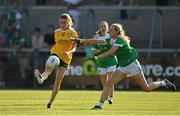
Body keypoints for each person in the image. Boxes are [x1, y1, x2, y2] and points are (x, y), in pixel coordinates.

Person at [71, 23, 177, 109]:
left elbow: (111, 52)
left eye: (111, 29)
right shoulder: (111, 39)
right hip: (123, 66)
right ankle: (100, 105)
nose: (109, 31)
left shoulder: (120, 39)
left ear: (117, 31)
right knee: (108, 83)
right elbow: (96, 41)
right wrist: (81, 41)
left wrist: (97, 57)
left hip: (132, 65)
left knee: (147, 88)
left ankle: (163, 82)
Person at [34, 13, 78, 108]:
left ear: (69, 22)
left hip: (66, 57)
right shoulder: (56, 31)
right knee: (48, 69)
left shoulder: (73, 33)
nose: (62, 24)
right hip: (56, 53)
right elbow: (58, 44)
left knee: (58, 81)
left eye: (64, 22)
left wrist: (69, 52)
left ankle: (50, 102)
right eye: (60, 22)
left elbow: (74, 47)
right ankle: (42, 78)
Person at [91, 21, 118, 104]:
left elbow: (113, 50)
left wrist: (106, 50)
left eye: (104, 27)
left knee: (110, 80)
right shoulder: (96, 38)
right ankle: (105, 95)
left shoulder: (111, 37)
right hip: (101, 62)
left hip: (111, 61)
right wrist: (101, 50)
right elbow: (94, 52)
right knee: (104, 83)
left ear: (107, 28)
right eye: (101, 26)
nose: (102, 28)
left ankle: (110, 98)